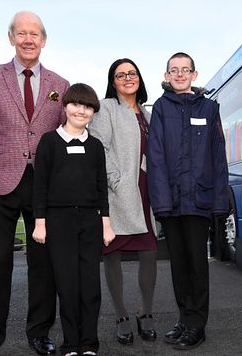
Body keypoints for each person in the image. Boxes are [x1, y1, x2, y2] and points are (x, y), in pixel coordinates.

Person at [0, 11, 69, 356]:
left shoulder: (61, 85)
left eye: (35, 34)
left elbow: (63, 134)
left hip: (45, 187)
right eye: (21, 33)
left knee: (43, 264)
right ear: (11, 37)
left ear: (44, 40)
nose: (28, 39)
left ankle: (39, 332)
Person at [147, 52, 229, 350]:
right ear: (166, 75)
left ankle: (197, 325)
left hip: (199, 200)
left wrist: (220, 201)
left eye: (185, 70)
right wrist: (161, 201)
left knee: (197, 264)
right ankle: (184, 318)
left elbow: (218, 155)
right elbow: (155, 156)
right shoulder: (160, 108)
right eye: (174, 70)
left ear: (194, 74)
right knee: (178, 265)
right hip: (172, 201)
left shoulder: (209, 108)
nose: (179, 74)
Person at [32, 83, 116, 356]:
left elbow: (102, 187)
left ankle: (89, 343)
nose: (82, 110)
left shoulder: (94, 146)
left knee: (90, 285)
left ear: (93, 112)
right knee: (66, 284)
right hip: (58, 221)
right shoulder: (49, 142)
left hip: (91, 222)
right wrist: (40, 222)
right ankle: (70, 343)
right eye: (77, 104)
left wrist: (106, 223)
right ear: (65, 106)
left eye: (88, 106)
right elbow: (40, 186)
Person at [89, 58, 158, 346]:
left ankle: (146, 311)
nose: (127, 78)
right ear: (112, 81)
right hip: (116, 190)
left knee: (149, 252)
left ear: (139, 78)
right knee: (112, 253)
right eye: (120, 75)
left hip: (144, 189)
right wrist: (115, 180)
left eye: (132, 73)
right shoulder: (106, 108)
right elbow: (99, 145)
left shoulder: (146, 112)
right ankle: (121, 316)